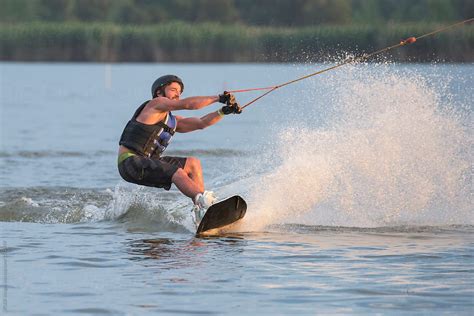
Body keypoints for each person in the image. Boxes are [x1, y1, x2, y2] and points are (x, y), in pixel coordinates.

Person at [117, 74, 241, 225]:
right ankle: (203, 203)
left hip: (147, 162)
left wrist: (223, 111)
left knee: (193, 163)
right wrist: (217, 98)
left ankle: (200, 213)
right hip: (130, 162)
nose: (177, 94)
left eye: (180, 92)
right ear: (159, 92)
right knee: (177, 172)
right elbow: (187, 104)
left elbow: (201, 123)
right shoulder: (154, 105)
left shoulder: (172, 121)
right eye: (173, 90)